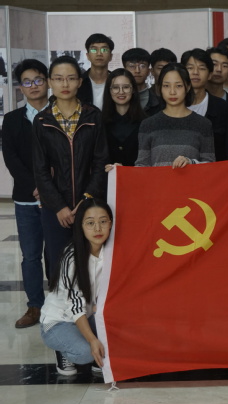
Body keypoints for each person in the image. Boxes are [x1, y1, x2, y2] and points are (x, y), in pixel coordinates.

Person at [32, 56, 109, 281]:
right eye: (58, 79)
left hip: (89, 204)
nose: (64, 84)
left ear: (79, 82)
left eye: (71, 78)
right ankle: (60, 304)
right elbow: (40, 169)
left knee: (92, 264)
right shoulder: (42, 120)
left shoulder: (93, 116)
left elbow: (101, 161)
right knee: (58, 262)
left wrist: (87, 199)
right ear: (50, 82)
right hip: (55, 209)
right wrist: (59, 206)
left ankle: (89, 304)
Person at [40, 198, 112, 375]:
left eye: (103, 222)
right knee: (85, 353)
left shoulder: (112, 252)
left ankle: (93, 346)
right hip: (60, 320)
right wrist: (93, 340)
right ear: (81, 226)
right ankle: (62, 349)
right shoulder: (72, 257)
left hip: (89, 314)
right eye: (90, 223)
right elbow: (75, 305)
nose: (97, 229)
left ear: (111, 223)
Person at [2, 59, 49, 328]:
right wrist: (35, 186)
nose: (34, 86)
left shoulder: (60, 114)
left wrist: (48, 187)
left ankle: (61, 304)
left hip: (57, 198)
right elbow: (12, 159)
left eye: (38, 80)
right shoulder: (11, 120)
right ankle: (34, 306)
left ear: (47, 82)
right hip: (25, 199)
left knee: (57, 254)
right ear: (21, 87)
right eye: (27, 82)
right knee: (30, 256)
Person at [136, 63, 214, 167]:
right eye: (166, 86)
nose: (172, 92)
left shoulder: (203, 124)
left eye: (178, 86)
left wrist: (191, 162)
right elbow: (142, 166)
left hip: (191, 178)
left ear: (188, 87)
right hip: (158, 179)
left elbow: (210, 165)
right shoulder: (148, 124)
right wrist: (119, 171)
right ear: (160, 88)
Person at [182, 48, 228, 161]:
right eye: (190, 68)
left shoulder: (223, 108)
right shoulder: (172, 105)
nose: (195, 72)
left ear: (210, 74)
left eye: (202, 68)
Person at [102, 69, 146, 167]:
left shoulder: (145, 122)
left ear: (133, 89)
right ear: (109, 90)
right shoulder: (100, 122)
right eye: (115, 87)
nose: (121, 92)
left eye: (126, 87)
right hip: (107, 175)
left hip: (138, 175)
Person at [77, 33, 113, 110]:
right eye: (94, 50)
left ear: (111, 56)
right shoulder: (79, 83)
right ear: (88, 56)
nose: (99, 54)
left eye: (104, 50)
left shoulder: (116, 81)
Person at [122, 48, 162, 116]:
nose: (137, 71)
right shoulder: (118, 98)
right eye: (132, 66)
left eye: (142, 66)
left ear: (148, 71)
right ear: (124, 70)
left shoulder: (159, 102)